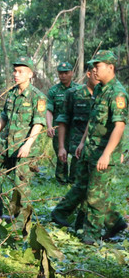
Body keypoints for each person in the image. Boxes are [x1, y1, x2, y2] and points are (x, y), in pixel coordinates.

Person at [75, 50, 128, 243]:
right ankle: (116, 223)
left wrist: (106, 154)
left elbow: (119, 126)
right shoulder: (98, 89)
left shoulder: (118, 93)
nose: (94, 70)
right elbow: (93, 119)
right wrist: (82, 142)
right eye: (93, 66)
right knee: (89, 190)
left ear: (110, 68)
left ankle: (91, 236)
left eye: (98, 66)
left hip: (104, 153)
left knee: (95, 197)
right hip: (90, 149)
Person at [0, 56, 47, 220]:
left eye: (20, 71)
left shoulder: (37, 97)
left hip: (23, 147)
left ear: (30, 74)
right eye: (15, 71)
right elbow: (4, 117)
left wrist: (27, 145)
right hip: (5, 145)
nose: (16, 74)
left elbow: (39, 123)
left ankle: (21, 222)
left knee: (20, 186)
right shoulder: (12, 93)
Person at [50, 65, 98, 228]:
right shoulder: (74, 94)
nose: (97, 77)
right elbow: (62, 120)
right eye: (94, 73)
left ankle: (76, 218)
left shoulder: (105, 95)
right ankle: (73, 217)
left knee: (92, 186)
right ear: (88, 74)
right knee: (83, 185)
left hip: (98, 149)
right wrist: (62, 146)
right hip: (78, 148)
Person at [45, 62, 78, 184]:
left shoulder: (79, 90)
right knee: (61, 154)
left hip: (75, 129)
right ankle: (61, 180)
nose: (63, 75)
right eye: (60, 73)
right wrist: (49, 126)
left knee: (76, 154)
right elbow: (49, 110)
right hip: (59, 128)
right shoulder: (54, 91)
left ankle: (74, 180)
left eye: (66, 73)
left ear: (72, 73)